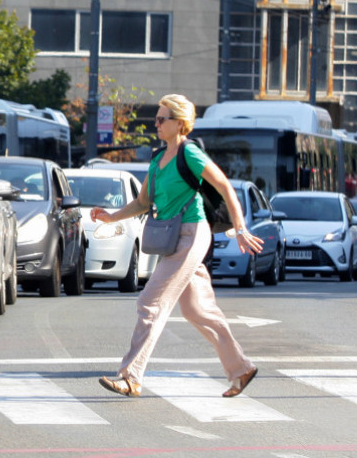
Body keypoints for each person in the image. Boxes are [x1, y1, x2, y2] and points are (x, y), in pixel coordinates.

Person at [89, 94, 263, 399]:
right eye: (156, 118)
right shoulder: (158, 159)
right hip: (173, 237)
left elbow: (224, 185)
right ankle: (241, 368)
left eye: (162, 118)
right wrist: (111, 216)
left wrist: (241, 229)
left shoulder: (190, 153)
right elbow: (144, 202)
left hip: (192, 233)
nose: (155, 124)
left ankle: (131, 377)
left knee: (150, 302)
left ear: (180, 124)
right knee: (198, 310)